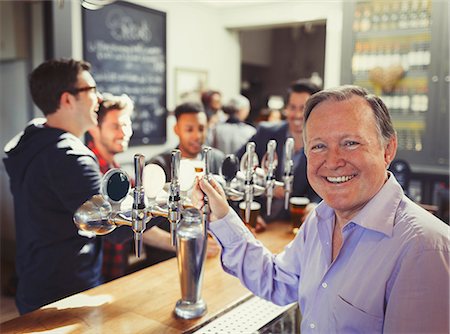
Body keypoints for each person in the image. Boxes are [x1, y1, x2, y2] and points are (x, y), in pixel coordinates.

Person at [194, 85, 450, 333]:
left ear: (388, 150)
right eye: (318, 146)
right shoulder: (321, 218)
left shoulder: (425, 248)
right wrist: (222, 214)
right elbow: (277, 280)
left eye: (350, 143)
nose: (333, 161)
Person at [3, 59, 104, 314]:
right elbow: (111, 225)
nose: (99, 97)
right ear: (67, 99)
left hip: (34, 282)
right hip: (69, 291)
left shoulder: (31, 140)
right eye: (91, 90)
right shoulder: (71, 157)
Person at [235, 79, 321, 228]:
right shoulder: (265, 133)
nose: (297, 114)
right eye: (292, 107)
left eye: (304, 108)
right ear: (286, 108)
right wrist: (263, 187)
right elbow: (235, 166)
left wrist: (316, 205)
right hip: (257, 221)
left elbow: (324, 183)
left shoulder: (323, 143)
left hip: (294, 227)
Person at [146, 101, 222, 265]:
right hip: (168, 260)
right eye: (189, 129)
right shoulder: (158, 165)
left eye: (201, 128)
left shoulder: (216, 159)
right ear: (176, 130)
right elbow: (144, 228)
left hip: (212, 257)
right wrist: (185, 244)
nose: (197, 135)